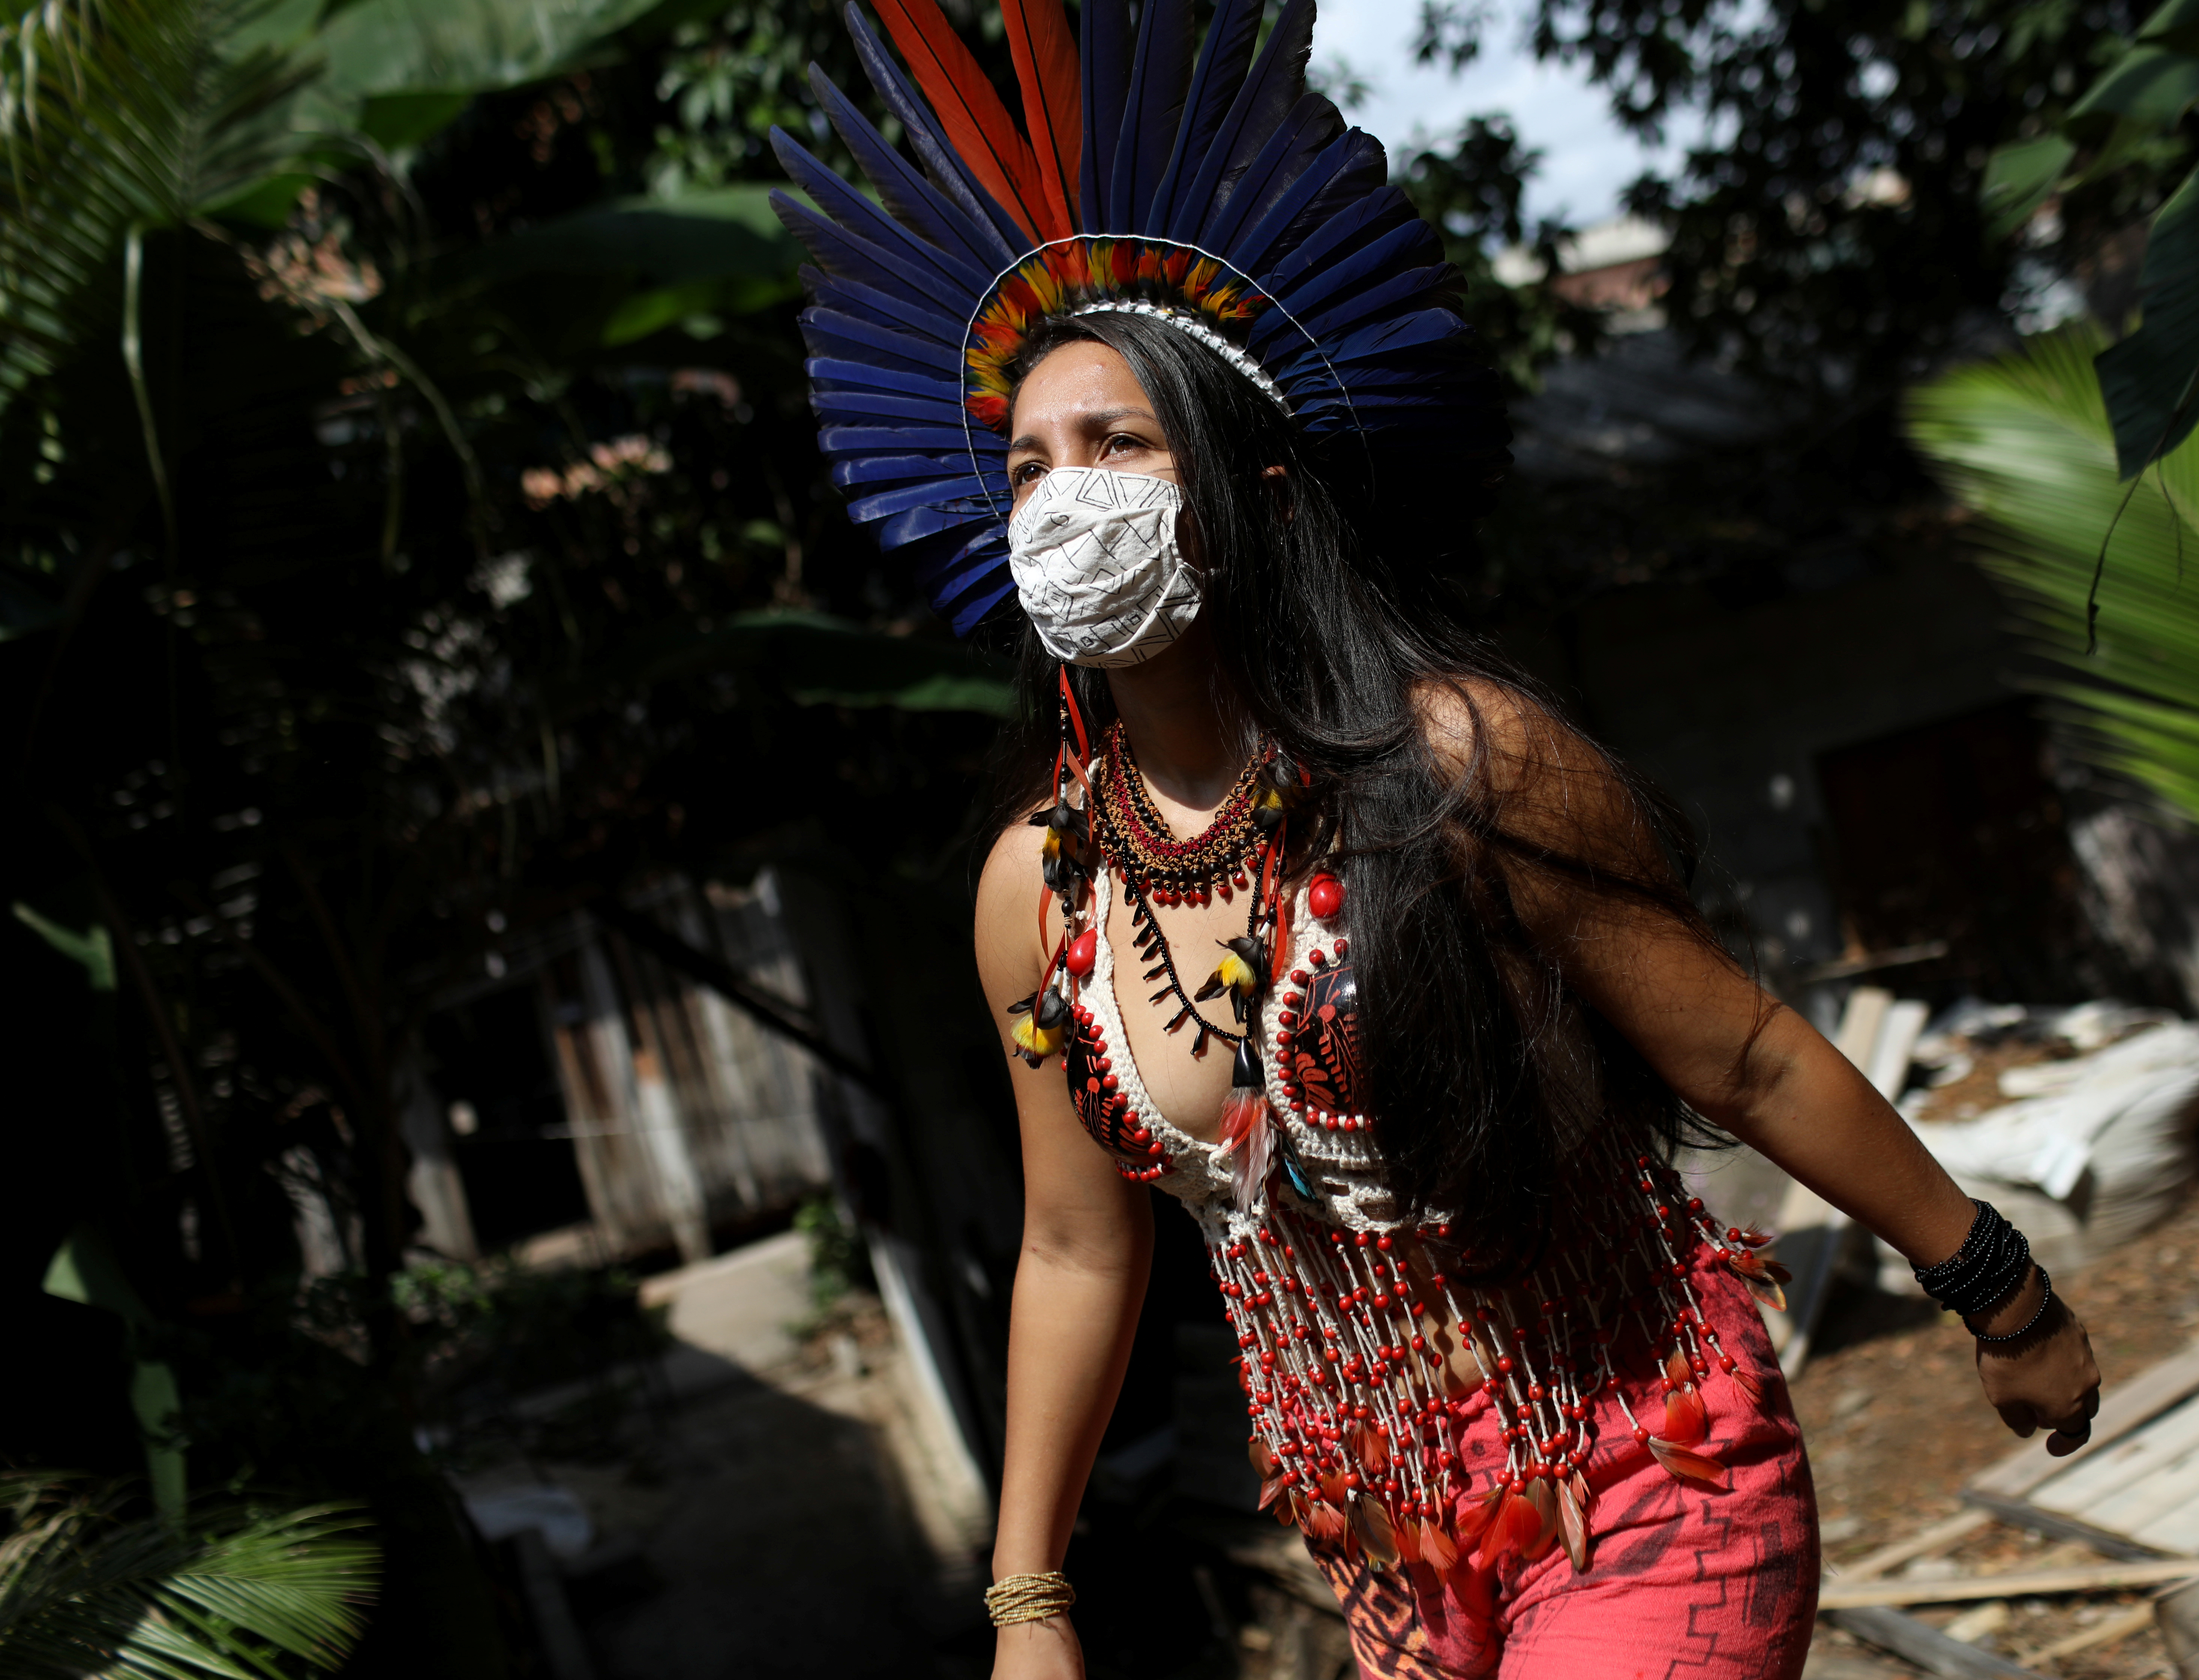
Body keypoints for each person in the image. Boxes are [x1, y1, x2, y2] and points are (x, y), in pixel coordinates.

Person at [774, 3, 2104, 1675]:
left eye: (1115, 443)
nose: (1061, 498)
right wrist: (1028, 1595)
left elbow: (1747, 1061)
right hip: (1387, 1550)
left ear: (1251, 488)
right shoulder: (1036, 892)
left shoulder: (1458, 765)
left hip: (1644, 1467)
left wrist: (1999, 1285)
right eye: (1028, 466)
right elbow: (1071, 1240)